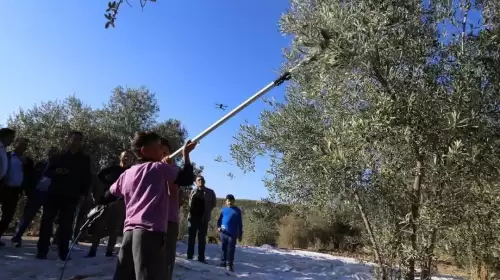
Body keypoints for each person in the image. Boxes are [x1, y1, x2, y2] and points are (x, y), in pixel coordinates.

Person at [98, 131, 196, 280]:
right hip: (150, 233)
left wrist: (100, 203)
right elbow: (187, 178)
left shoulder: (127, 173)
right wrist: (186, 154)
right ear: (144, 150)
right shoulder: (158, 168)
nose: (161, 150)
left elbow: (108, 195)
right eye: (157, 146)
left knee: (124, 275)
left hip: (129, 233)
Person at [36, 131, 92, 260]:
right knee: (47, 222)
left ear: (81, 142)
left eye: (78, 139)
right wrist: (57, 172)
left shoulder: (84, 158)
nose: (75, 141)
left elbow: (86, 178)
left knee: (66, 225)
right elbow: (47, 172)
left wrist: (84, 194)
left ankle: (63, 252)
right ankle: (42, 251)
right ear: (68, 140)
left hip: (71, 195)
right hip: (54, 193)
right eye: (73, 139)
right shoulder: (58, 156)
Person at [86, 150, 133, 258]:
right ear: (120, 157)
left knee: (115, 227)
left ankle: (109, 251)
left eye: (129, 157)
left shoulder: (131, 172)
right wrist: (100, 193)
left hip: (121, 202)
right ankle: (93, 250)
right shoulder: (112, 169)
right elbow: (98, 178)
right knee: (99, 226)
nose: (126, 159)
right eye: (125, 156)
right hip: (106, 201)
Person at [12, 147, 58, 247]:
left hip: (49, 195)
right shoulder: (40, 164)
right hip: (37, 193)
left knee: (48, 219)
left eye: (55, 154)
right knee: (27, 215)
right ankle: (17, 237)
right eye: (51, 153)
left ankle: (44, 242)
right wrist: (29, 191)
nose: (52, 155)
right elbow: (32, 177)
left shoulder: (58, 167)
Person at [160, 138, 183, 280]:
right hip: (151, 221)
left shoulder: (174, 171)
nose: (164, 155)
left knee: (167, 258)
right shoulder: (148, 170)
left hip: (169, 219)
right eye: (160, 152)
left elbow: (172, 191)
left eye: (166, 153)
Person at [0, 137, 29, 246]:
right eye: (21, 144)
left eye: (25, 146)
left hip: (14, 191)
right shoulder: (6, 156)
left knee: (8, 217)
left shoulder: (25, 160)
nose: (23, 147)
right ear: (16, 144)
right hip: (3, 188)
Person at [187, 175, 216, 263]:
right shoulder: (193, 191)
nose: (201, 181)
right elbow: (189, 203)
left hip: (203, 218)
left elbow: (213, 203)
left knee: (202, 238)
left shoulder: (210, 192)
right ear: (196, 182)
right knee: (191, 238)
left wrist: (207, 211)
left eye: (202, 179)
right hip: (192, 217)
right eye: (199, 180)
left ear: (205, 181)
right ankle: (189, 256)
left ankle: (201, 257)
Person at [217, 194, 243, 272]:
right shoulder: (223, 210)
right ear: (226, 201)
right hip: (223, 233)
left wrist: (240, 234)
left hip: (233, 234)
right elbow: (219, 221)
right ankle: (223, 262)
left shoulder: (237, 210)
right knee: (223, 248)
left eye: (231, 200)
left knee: (231, 249)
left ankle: (229, 264)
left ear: (234, 201)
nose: (230, 202)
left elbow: (240, 223)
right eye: (228, 201)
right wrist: (218, 227)